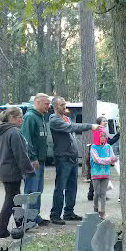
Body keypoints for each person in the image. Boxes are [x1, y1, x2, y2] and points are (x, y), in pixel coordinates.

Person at [48, 96, 99, 225]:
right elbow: (72, 127)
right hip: (63, 157)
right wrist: (90, 126)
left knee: (72, 187)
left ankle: (69, 212)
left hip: (72, 156)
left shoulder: (67, 118)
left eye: (64, 104)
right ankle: (55, 214)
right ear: (55, 107)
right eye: (61, 105)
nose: (64, 106)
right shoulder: (54, 120)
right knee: (60, 187)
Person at [0, 107, 35, 238]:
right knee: (11, 200)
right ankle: (1, 230)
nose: (22, 120)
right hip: (11, 171)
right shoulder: (14, 132)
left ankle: (21, 224)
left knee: (15, 198)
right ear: (12, 118)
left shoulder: (2, 131)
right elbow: (20, 154)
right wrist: (29, 170)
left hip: (3, 169)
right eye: (20, 117)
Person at [19, 93, 51, 226]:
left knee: (38, 189)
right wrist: (32, 158)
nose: (48, 106)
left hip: (41, 160)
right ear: (37, 102)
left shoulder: (41, 117)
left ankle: (35, 216)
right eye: (46, 104)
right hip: (33, 161)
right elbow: (26, 140)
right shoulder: (30, 117)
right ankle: (29, 218)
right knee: (31, 189)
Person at [90, 129, 118, 218]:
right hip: (96, 173)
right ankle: (95, 209)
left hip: (106, 173)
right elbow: (97, 159)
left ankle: (102, 211)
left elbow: (112, 157)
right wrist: (109, 160)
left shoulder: (108, 147)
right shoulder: (93, 147)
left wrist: (114, 160)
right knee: (97, 192)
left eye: (104, 136)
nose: (103, 138)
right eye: (101, 136)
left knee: (103, 193)